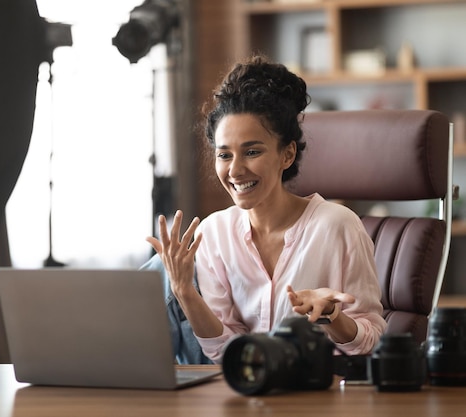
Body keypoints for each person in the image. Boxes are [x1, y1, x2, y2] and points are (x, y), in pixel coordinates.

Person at [145, 55, 386, 364]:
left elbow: (372, 341)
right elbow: (221, 350)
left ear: (287, 155)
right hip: (243, 386)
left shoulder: (338, 226)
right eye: (224, 155)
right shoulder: (214, 233)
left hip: (312, 392)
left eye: (252, 152)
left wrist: (330, 315)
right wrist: (184, 291)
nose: (235, 170)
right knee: (159, 273)